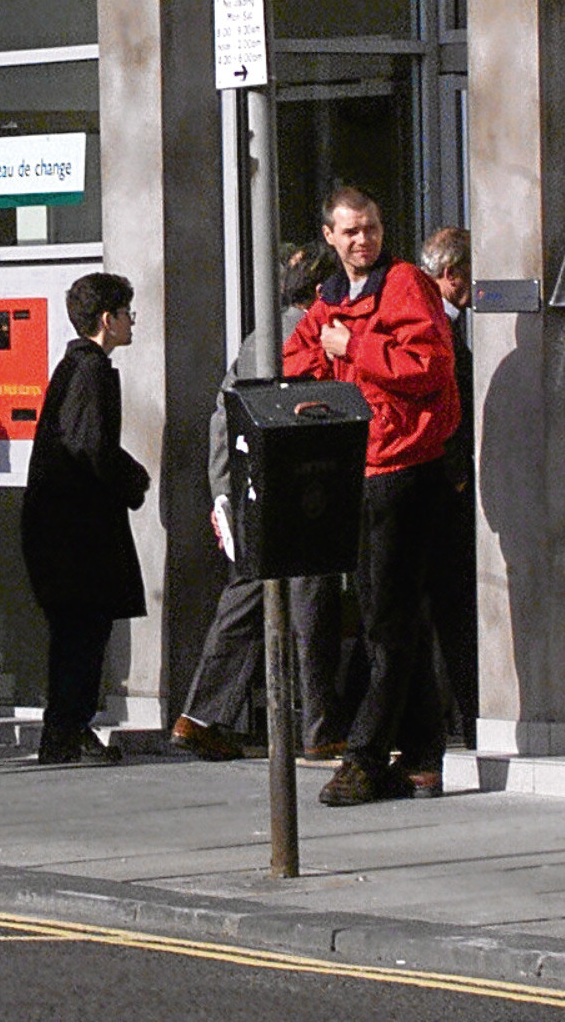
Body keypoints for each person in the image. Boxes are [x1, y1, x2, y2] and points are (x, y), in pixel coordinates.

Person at [285, 186, 459, 807]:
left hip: (403, 467)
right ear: (329, 237)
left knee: (387, 621)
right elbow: (297, 360)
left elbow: (429, 366)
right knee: (391, 615)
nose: (364, 239)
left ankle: (364, 756)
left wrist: (352, 348)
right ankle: (421, 757)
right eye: (352, 231)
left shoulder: (406, 283)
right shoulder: (331, 297)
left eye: (373, 228)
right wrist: (327, 364)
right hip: (359, 467)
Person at [172, 242, 354, 763]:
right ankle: (319, 729)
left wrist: (224, 492)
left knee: (247, 598)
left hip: (252, 488)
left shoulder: (258, 340)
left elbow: (222, 417)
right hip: (304, 490)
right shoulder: (318, 336)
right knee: (310, 600)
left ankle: (201, 716)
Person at [23, 273, 152, 766]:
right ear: (107, 319)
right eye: (126, 313)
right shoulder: (89, 370)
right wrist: (131, 479)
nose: (131, 322)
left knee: (77, 632)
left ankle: (65, 731)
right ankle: (68, 730)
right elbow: (88, 445)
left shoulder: (78, 366)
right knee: (82, 633)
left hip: (67, 529)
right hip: (76, 533)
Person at [420, 225, 477, 745]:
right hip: (437, 489)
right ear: (453, 275)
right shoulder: (433, 325)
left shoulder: (448, 324)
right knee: (447, 607)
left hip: (439, 485)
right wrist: (456, 478)